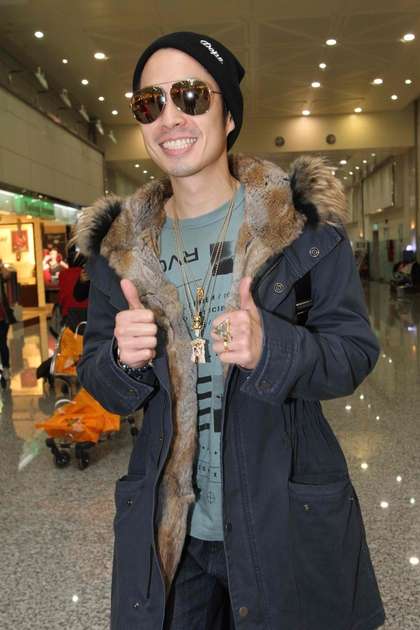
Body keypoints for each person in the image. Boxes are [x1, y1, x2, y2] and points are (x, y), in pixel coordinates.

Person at [76, 32, 386, 630]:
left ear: (229, 115)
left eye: (190, 95)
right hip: (173, 533)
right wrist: (120, 359)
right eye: (149, 103)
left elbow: (352, 352)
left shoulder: (303, 229)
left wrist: (274, 349)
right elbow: (98, 376)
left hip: (280, 515)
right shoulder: (121, 251)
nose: (170, 117)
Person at [0, 259, 16, 383]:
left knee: (2, 342)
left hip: (2, 316)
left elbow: (8, 275)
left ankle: (6, 368)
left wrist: (1, 265)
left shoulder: (1, 275)